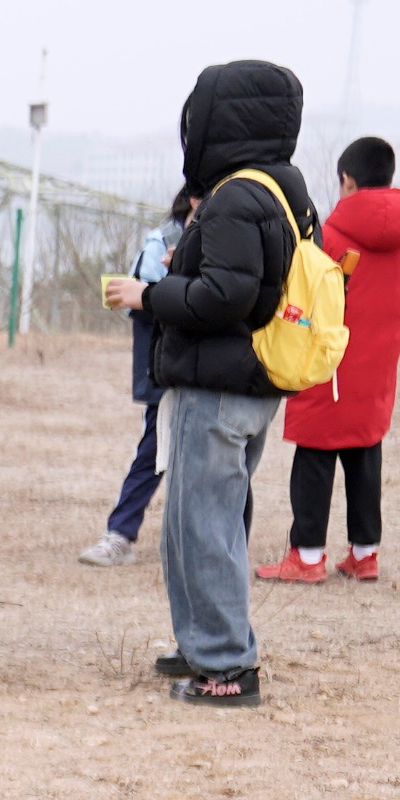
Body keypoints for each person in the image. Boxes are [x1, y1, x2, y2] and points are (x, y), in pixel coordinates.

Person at [102, 60, 315, 708]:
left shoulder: (233, 198)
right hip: (251, 382)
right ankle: (203, 643)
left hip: (218, 384)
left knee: (202, 525)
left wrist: (151, 292)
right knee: (205, 521)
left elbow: (226, 296)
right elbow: (251, 282)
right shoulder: (284, 189)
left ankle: (225, 665)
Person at [260, 137, 400, 585]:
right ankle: (365, 554)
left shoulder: (328, 237)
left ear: (347, 180)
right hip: (378, 366)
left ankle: (308, 556)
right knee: (365, 450)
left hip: (328, 364)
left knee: (315, 452)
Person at [76, 194, 190, 567]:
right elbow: (139, 302)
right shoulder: (162, 241)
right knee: (154, 453)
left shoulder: (229, 234)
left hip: (213, 371)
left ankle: (212, 543)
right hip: (170, 369)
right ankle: (120, 535)